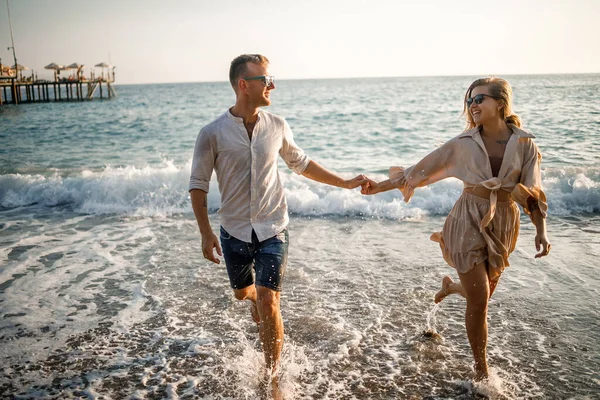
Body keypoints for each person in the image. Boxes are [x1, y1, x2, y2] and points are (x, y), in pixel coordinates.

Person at [189, 54, 367, 395]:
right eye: (265, 80)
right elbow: (198, 184)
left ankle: (272, 378)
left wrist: (345, 183)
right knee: (245, 294)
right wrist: (205, 232)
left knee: (271, 302)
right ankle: (251, 295)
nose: (272, 85)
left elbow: (302, 164)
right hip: (234, 232)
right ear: (244, 85)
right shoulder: (211, 133)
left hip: (273, 228)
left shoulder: (277, 125)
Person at [361, 77, 551, 381]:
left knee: (483, 294)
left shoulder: (526, 143)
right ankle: (481, 372)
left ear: (500, 104)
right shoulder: (463, 143)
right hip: (468, 219)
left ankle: (451, 286)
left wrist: (541, 230)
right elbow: (420, 170)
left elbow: (533, 192)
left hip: (503, 222)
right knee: (479, 302)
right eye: (470, 101)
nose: (473, 105)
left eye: (480, 99)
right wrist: (378, 187)